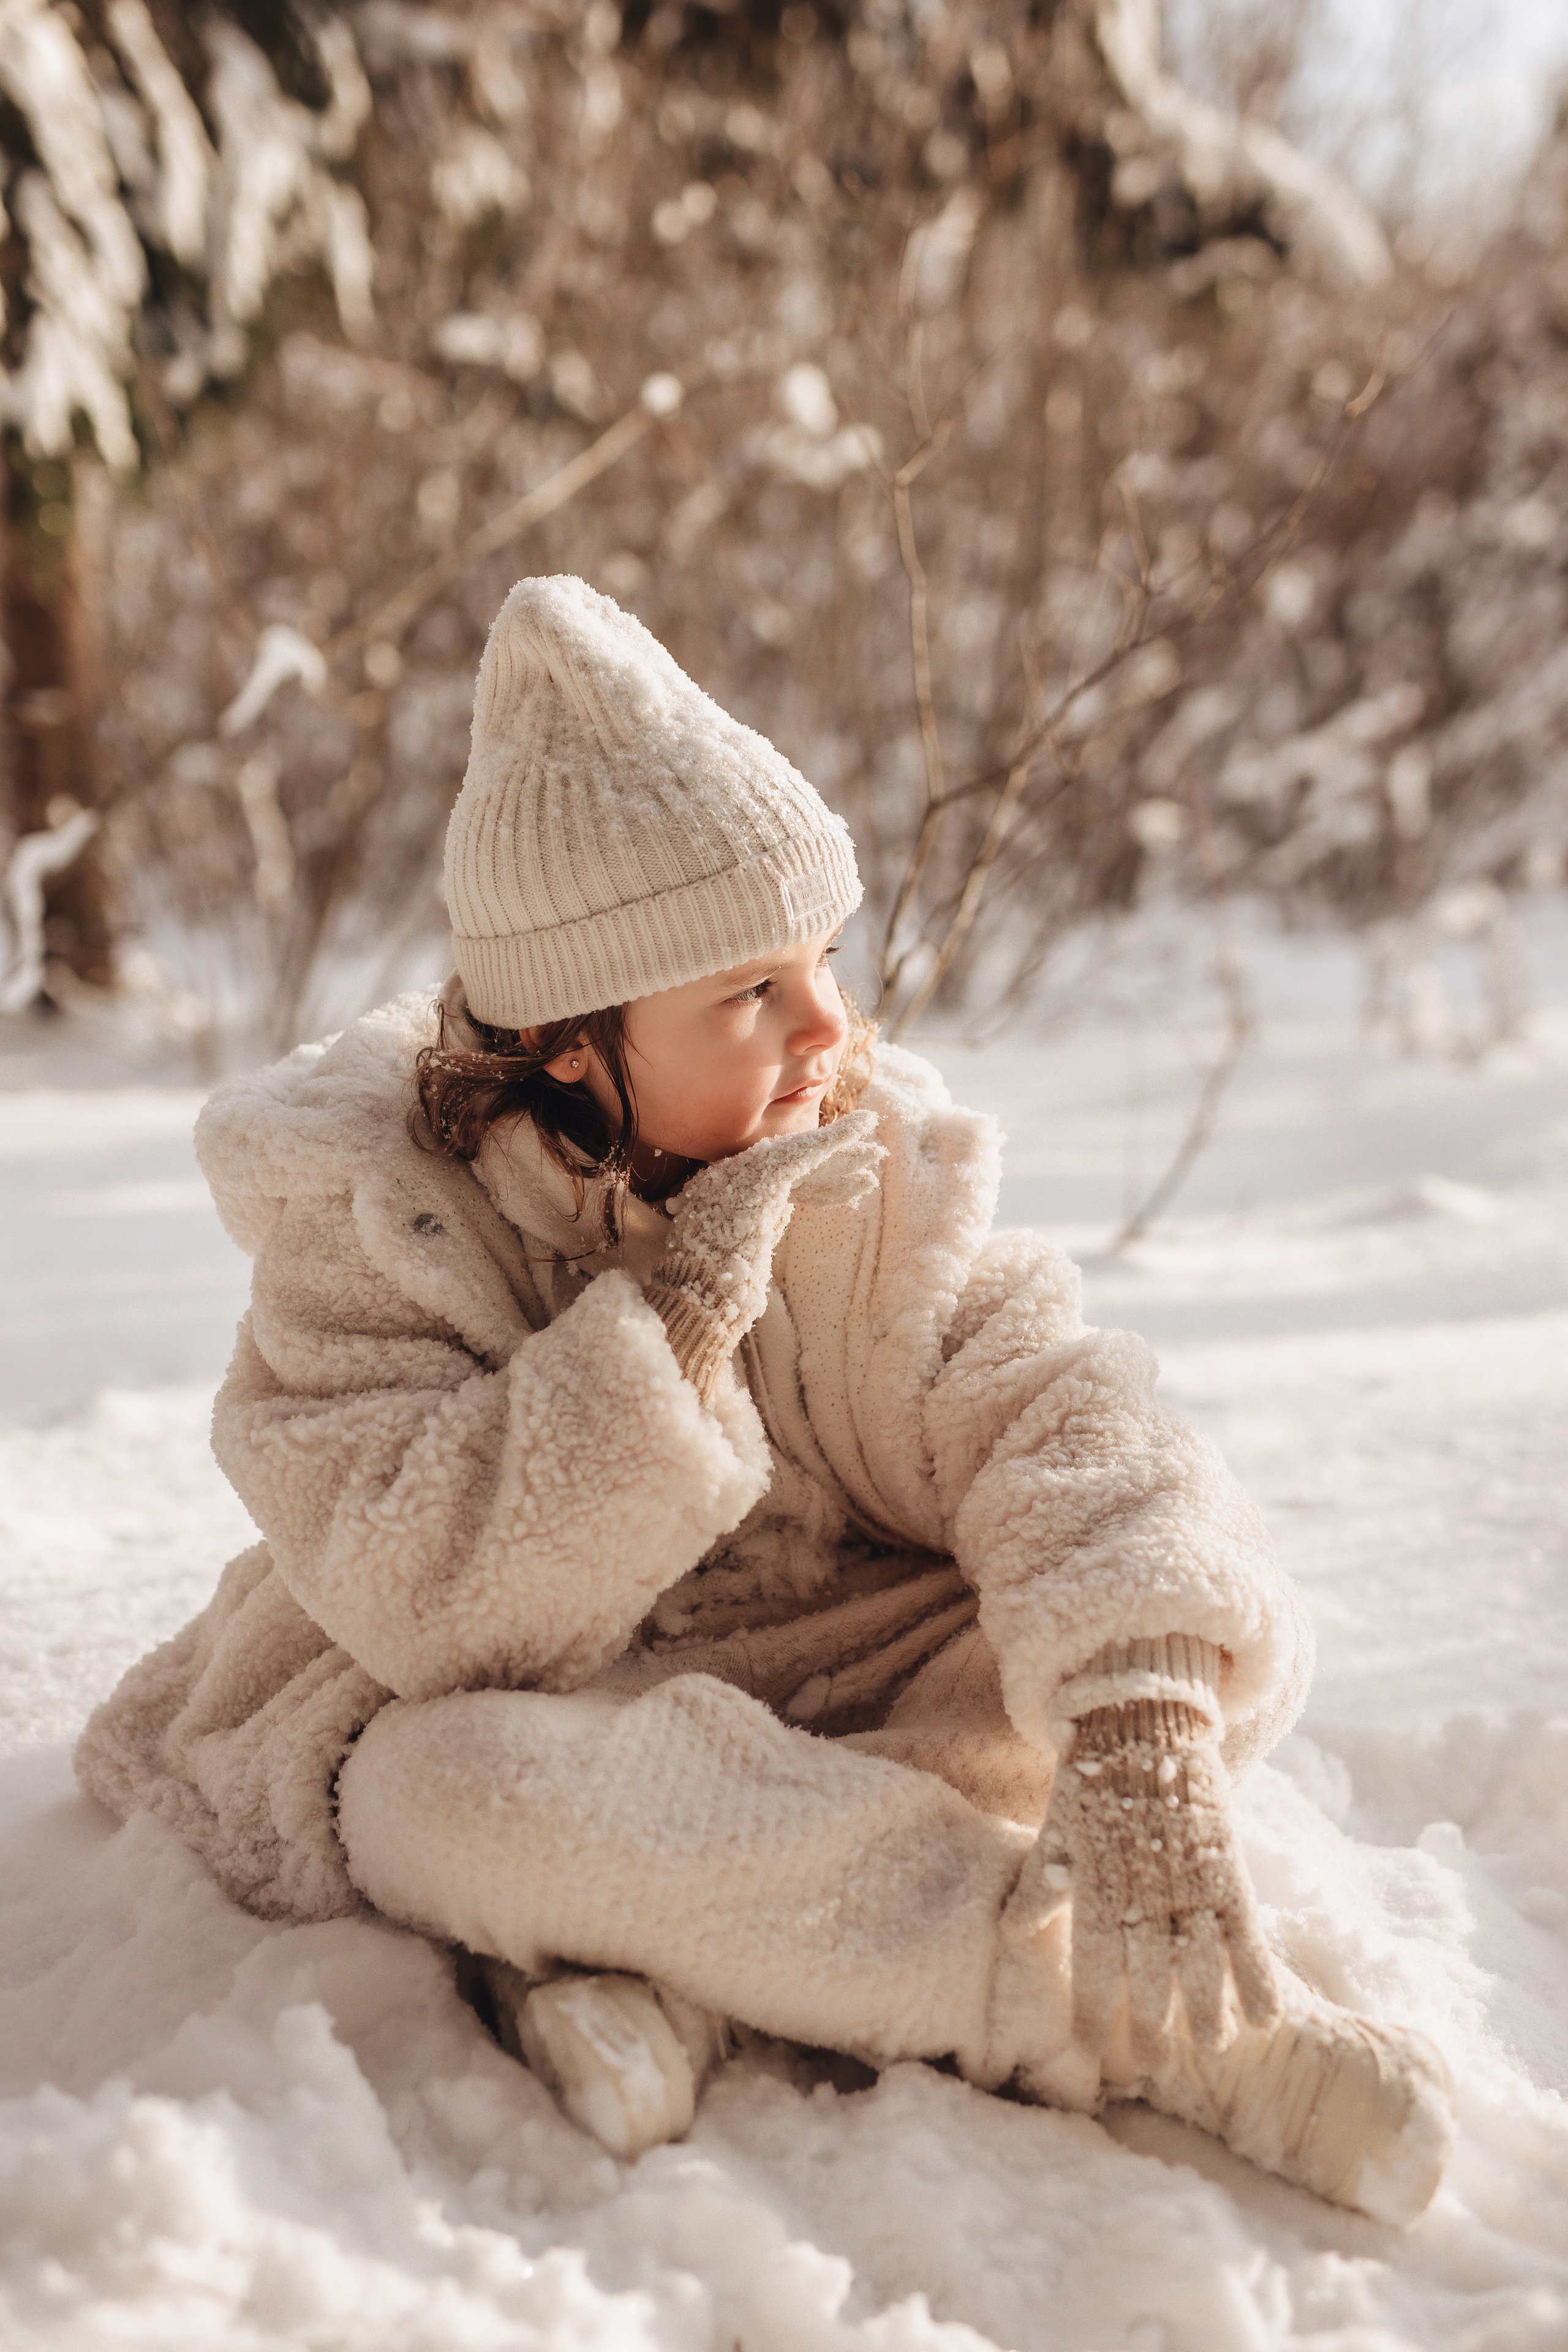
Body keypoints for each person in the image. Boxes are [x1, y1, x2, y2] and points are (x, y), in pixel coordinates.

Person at [77, 576, 1455, 2221]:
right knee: (437, 1791)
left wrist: (1142, 1709)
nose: (827, 1027)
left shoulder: (864, 1165)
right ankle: (1129, 2024)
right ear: (568, 1046)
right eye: (748, 995)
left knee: (1060, 1645)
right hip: (548, 1698)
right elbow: (429, 1603)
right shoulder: (373, 1228)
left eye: (821, 960)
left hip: (856, 1656)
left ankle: (662, 1948)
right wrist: (676, 1315)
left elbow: (1058, 1408)